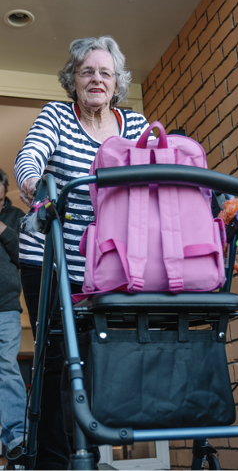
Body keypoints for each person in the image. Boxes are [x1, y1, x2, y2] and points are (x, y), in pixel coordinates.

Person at [14, 35, 148, 471]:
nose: (95, 79)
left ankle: (83, 453)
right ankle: (53, 462)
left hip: (108, 266)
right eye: (86, 71)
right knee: (56, 358)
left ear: (117, 82)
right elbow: (30, 157)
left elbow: (158, 167)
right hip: (51, 257)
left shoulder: (136, 124)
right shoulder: (57, 115)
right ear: (72, 79)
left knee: (96, 357)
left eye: (104, 72)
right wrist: (37, 185)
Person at [0, 171, 26, 462]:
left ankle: (17, 436)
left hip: (6, 307)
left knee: (6, 366)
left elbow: (26, 256)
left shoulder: (16, 216)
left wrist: (4, 231)